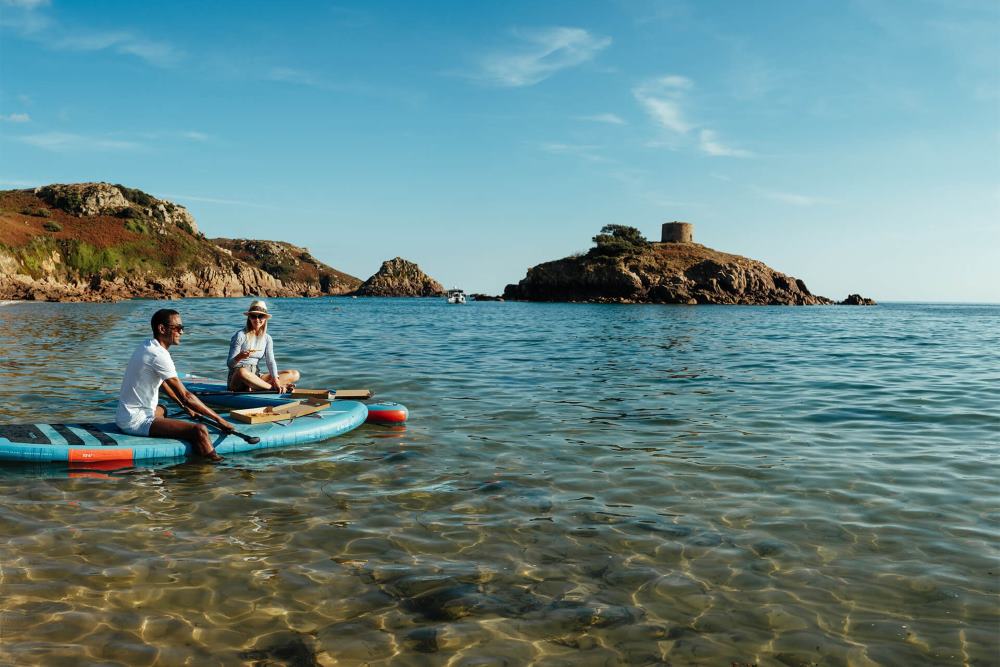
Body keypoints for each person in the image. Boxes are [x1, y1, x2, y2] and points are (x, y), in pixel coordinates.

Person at [116, 308, 232, 462]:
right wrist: (220, 420)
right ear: (162, 329)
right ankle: (214, 465)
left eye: (182, 328)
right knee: (200, 430)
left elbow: (163, 383)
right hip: (136, 421)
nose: (181, 332)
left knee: (162, 408)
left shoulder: (147, 346)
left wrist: (184, 408)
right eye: (177, 328)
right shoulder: (159, 355)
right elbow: (186, 396)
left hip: (123, 415)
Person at [227, 299, 300, 393]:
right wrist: (239, 357)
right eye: (253, 316)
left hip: (256, 375)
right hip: (238, 379)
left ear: (265, 318)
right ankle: (272, 388)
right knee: (242, 371)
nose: (257, 320)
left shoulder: (267, 338)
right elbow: (230, 364)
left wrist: (276, 379)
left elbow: (270, 361)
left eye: (260, 316)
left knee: (294, 374)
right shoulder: (240, 335)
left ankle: (258, 387)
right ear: (249, 318)